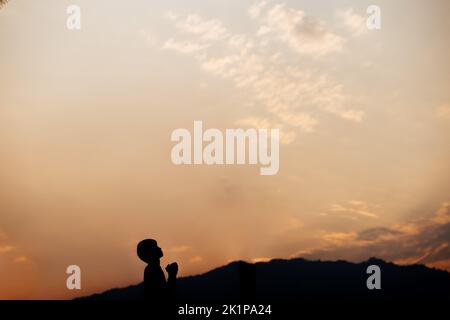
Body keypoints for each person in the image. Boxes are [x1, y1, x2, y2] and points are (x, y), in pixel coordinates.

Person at [137, 239, 178, 305]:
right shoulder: (153, 270)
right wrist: (172, 275)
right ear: (150, 252)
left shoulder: (152, 269)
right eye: (155, 246)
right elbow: (165, 296)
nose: (159, 248)